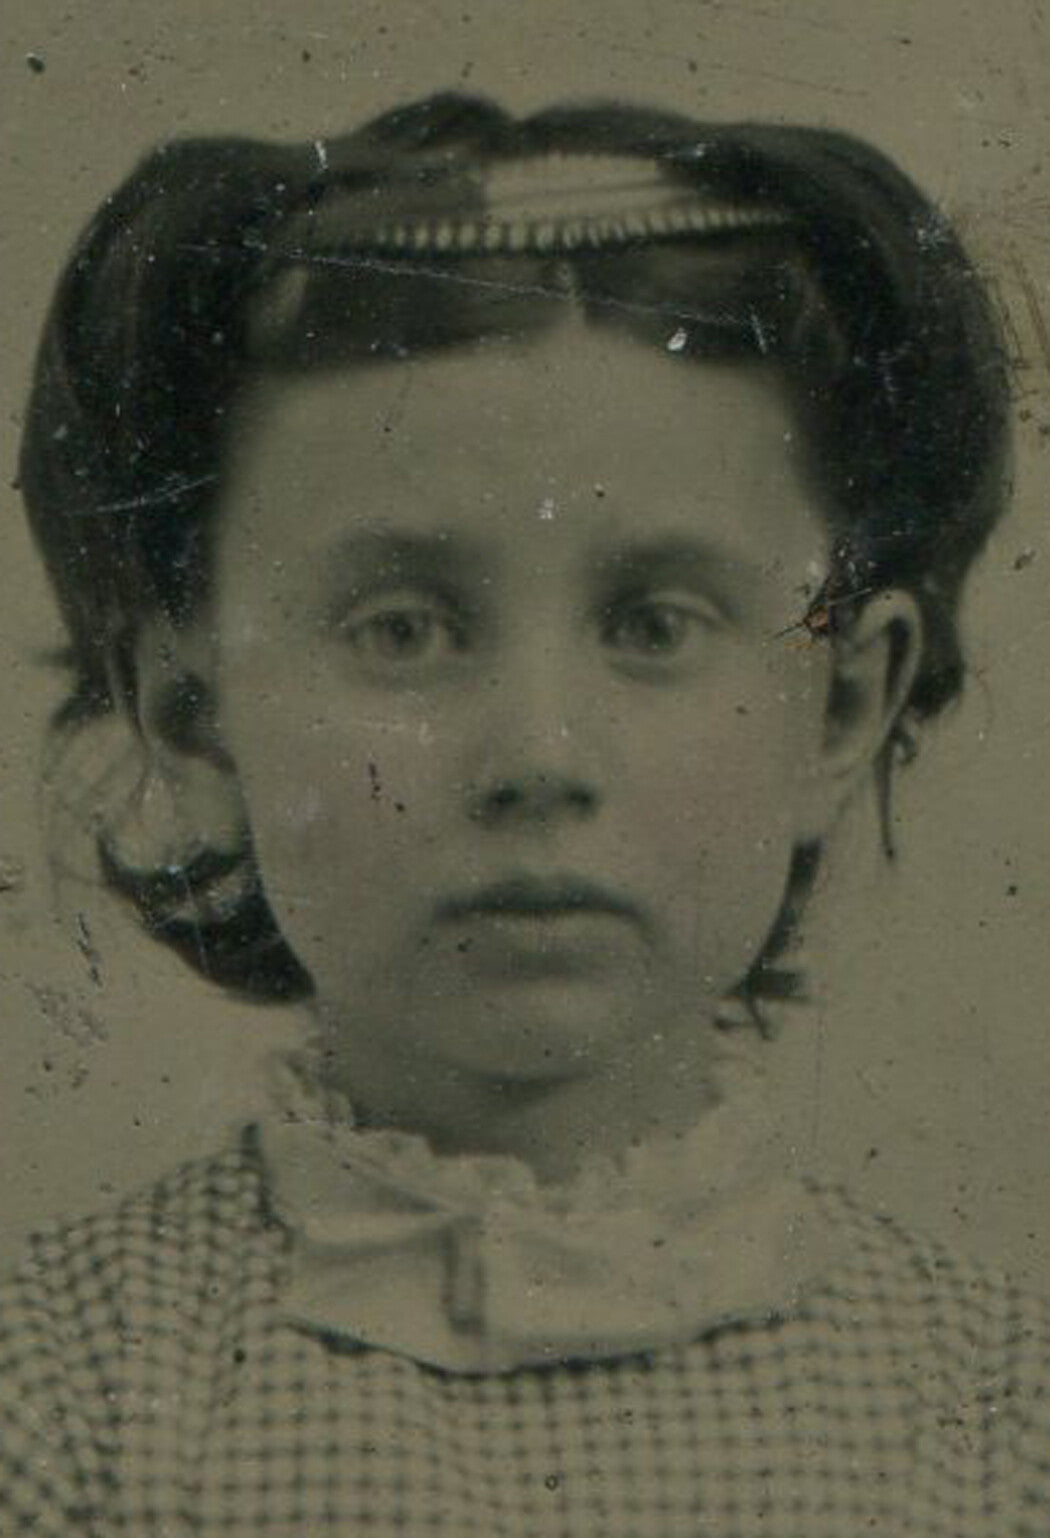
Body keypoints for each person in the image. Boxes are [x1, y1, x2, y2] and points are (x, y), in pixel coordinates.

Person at [2, 91, 1046, 1536]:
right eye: (403, 628)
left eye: (656, 623)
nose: (539, 755)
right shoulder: (53, 1405)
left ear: (843, 704)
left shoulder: (1000, 1419)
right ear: (192, 712)